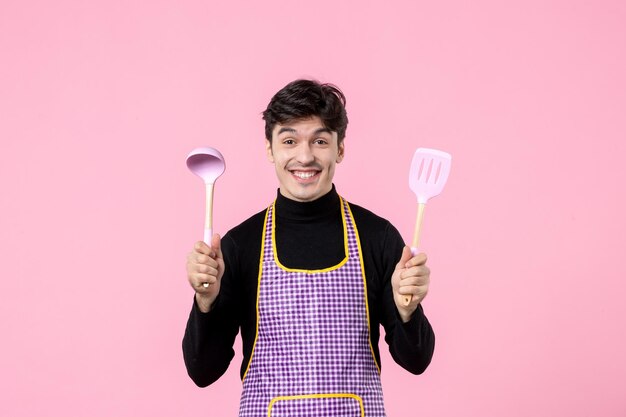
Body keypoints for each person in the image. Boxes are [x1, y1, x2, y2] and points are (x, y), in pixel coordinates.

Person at [183, 79, 435, 417]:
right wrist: (205, 301)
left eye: (319, 140)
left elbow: (416, 362)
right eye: (289, 141)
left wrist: (408, 311)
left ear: (339, 149)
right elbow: (203, 372)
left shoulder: (378, 237)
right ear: (270, 149)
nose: (305, 156)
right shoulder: (240, 245)